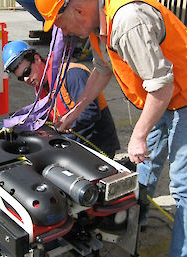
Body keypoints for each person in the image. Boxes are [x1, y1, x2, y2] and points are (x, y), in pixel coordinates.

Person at [35, 0, 187, 256]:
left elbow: (162, 85)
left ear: (78, 10)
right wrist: (75, 111)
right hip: (166, 97)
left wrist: (138, 135)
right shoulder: (98, 26)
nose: (66, 33)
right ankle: (135, 220)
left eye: (63, 25)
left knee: (182, 188)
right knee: (144, 166)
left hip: (178, 96)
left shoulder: (127, 21)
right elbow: (102, 68)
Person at [3, 40, 120, 159]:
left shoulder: (72, 74)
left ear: (37, 59)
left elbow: (90, 112)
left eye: (27, 72)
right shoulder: (41, 87)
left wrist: (63, 126)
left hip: (98, 147)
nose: (26, 79)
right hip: (74, 145)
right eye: (21, 78)